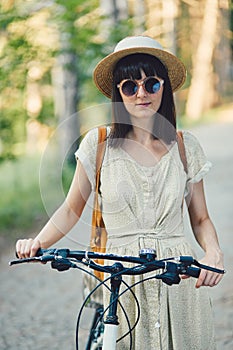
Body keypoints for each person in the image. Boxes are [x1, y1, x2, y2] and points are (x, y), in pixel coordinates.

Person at [16, 36, 224, 349]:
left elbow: (202, 217)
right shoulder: (97, 145)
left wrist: (213, 252)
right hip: (122, 277)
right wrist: (38, 243)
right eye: (130, 86)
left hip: (175, 277)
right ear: (119, 93)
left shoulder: (184, 146)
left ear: (164, 88)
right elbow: (71, 209)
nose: (141, 94)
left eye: (151, 84)